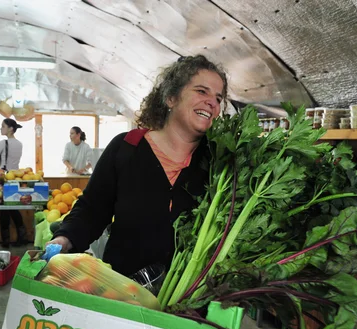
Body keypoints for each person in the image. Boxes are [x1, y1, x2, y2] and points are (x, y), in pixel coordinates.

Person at [50, 55, 227, 277]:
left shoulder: (220, 162)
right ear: (171, 97)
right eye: (202, 91)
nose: (212, 102)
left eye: (218, 98)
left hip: (190, 299)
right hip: (123, 293)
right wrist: (64, 239)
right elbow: (93, 208)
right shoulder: (127, 147)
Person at [0, 118, 27, 248]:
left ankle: (5, 240)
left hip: (4, 177)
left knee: (4, 209)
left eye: (3, 126)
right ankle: (22, 236)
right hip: (15, 178)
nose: (1, 128)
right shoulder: (19, 144)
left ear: (10, 128)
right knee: (13, 208)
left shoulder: (3, 143)